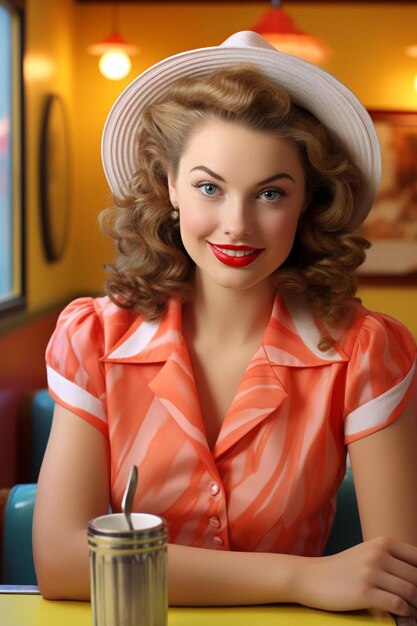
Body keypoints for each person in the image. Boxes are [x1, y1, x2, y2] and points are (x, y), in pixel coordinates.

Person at [33, 31, 417, 617]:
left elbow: (400, 581)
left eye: (270, 193)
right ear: (170, 187)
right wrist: (302, 578)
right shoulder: (95, 338)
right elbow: (62, 562)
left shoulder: (364, 350)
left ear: (308, 201)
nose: (236, 225)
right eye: (210, 187)